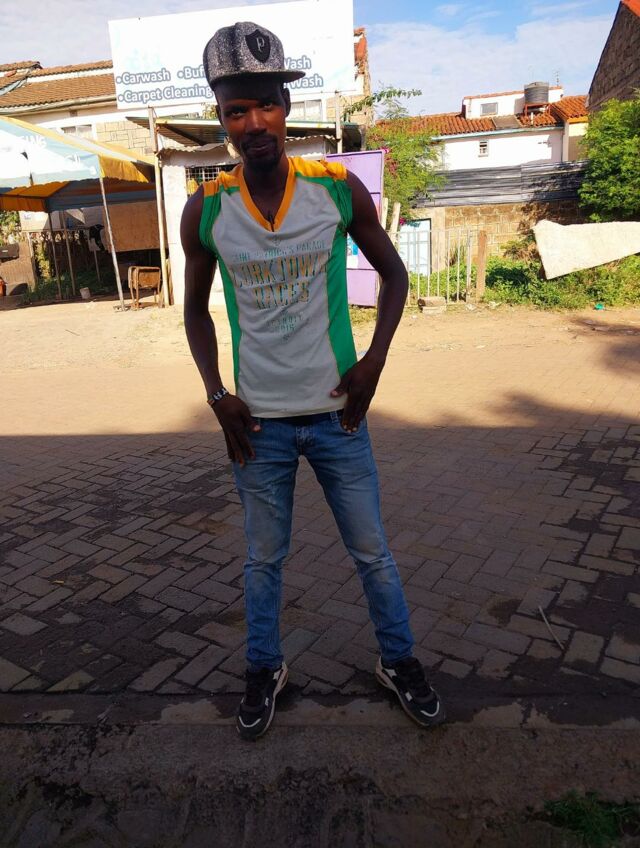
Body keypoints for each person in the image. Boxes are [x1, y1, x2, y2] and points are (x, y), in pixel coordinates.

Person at [181, 21, 445, 740]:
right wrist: (216, 394)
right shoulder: (207, 208)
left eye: (266, 104)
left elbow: (394, 276)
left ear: (286, 108)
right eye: (237, 109)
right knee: (263, 561)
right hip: (258, 427)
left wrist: (375, 359)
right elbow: (195, 311)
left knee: (373, 553)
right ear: (222, 119)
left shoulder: (335, 189)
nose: (254, 123)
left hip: (338, 418)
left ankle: (400, 662)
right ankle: (264, 669)